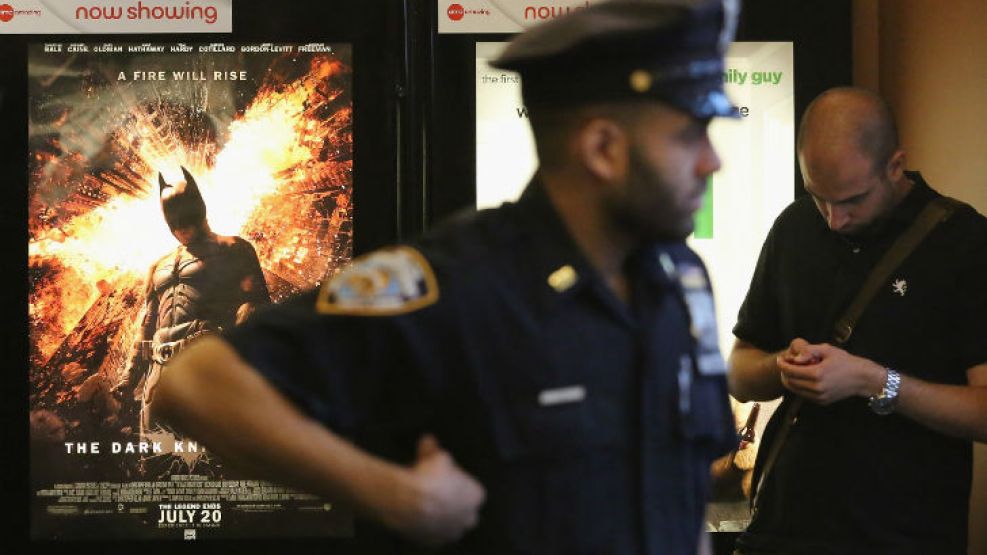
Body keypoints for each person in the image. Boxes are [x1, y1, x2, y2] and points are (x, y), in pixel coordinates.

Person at [151, 0, 740, 552]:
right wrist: (392, 495)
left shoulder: (679, 281)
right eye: (690, 134)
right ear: (604, 148)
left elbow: (679, 498)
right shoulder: (461, 280)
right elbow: (197, 384)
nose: (712, 161)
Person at [729, 87, 987, 554]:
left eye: (852, 200)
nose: (834, 220)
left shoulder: (963, 242)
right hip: (778, 530)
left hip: (904, 537)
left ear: (895, 165)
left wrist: (876, 382)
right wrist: (782, 367)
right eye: (818, 197)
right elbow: (739, 372)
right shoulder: (793, 226)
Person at [115, 166, 270, 436]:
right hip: (161, 368)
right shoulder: (158, 266)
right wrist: (129, 375)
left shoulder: (233, 248)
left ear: (200, 212)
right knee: (158, 457)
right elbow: (147, 323)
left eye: (186, 220)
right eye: (174, 223)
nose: (181, 229)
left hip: (207, 359)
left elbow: (254, 303)